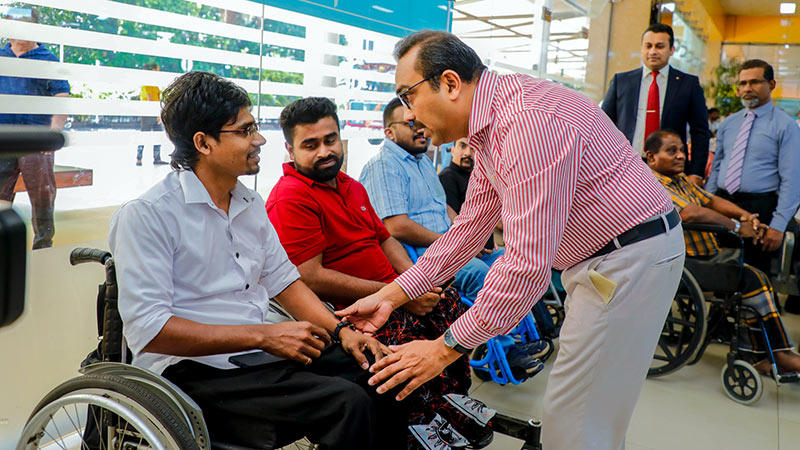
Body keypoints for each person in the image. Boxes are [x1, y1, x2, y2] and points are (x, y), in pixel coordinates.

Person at [336, 30, 685, 450]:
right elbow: (470, 225)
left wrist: (444, 349)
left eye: (407, 95)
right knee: (591, 415)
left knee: (574, 422)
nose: (408, 113)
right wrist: (391, 295)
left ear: (449, 83)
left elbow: (525, 266)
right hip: (610, 257)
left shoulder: (525, 125)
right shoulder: (493, 121)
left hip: (626, 258)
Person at [108, 71, 407, 450]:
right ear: (203, 142)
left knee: (385, 375)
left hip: (255, 356)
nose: (260, 139)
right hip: (192, 373)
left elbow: (286, 283)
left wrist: (342, 333)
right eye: (246, 131)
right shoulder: (148, 214)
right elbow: (149, 330)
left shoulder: (250, 204)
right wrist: (264, 335)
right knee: (348, 404)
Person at [266, 96, 501, 448]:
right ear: (290, 149)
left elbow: (385, 238)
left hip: (388, 294)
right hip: (348, 311)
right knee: (402, 346)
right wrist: (393, 297)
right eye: (310, 145)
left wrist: (415, 284)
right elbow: (309, 276)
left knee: (448, 304)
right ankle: (416, 426)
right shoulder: (291, 198)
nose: (324, 151)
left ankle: (447, 406)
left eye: (330, 140)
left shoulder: (350, 186)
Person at [645, 129, 800, 374]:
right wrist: (738, 227)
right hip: (683, 262)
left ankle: (763, 353)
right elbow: (691, 213)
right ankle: (778, 354)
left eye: (682, 150)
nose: (680, 156)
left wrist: (746, 215)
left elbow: (711, 201)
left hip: (705, 256)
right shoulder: (651, 183)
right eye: (671, 151)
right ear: (651, 157)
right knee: (751, 279)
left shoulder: (681, 180)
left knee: (752, 279)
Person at [359, 98, 504, 301]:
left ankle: (526, 331)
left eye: (421, 123)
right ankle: (489, 334)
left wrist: (468, 238)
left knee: (509, 262)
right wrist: (452, 243)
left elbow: (442, 206)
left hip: (445, 245)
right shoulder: (384, 166)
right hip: (421, 255)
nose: (420, 129)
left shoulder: (423, 161)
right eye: (411, 124)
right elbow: (396, 227)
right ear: (389, 133)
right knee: (482, 274)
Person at [705, 60, 800, 282]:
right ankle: (720, 316)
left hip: (760, 208)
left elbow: (792, 179)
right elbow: (717, 166)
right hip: (723, 204)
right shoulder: (729, 124)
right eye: (743, 83)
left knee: (754, 275)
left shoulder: (785, 126)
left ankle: (754, 315)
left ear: (772, 84)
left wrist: (777, 226)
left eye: (755, 82)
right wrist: (707, 200)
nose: (747, 88)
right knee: (720, 271)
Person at [602, 23, 710, 185]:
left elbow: (700, 132)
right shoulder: (622, 81)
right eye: (648, 46)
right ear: (642, 48)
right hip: (624, 166)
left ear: (671, 49)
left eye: (659, 46)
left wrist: (696, 173)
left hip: (669, 170)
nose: (653, 51)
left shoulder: (688, 84)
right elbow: (603, 125)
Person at [0, 7, 69, 249]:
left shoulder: (46, 60)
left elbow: (61, 95)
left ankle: (43, 249)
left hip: (35, 143)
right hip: (3, 139)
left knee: (42, 201)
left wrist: (52, 135)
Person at [136, 62, 168, 166]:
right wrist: (157, 114)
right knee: (145, 135)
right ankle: (139, 159)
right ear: (153, 70)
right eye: (157, 70)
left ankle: (157, 158)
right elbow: (150, 100)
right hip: (148, 114)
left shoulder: (154, 85)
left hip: (155, 113)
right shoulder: (147, 84)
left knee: (157, 135)